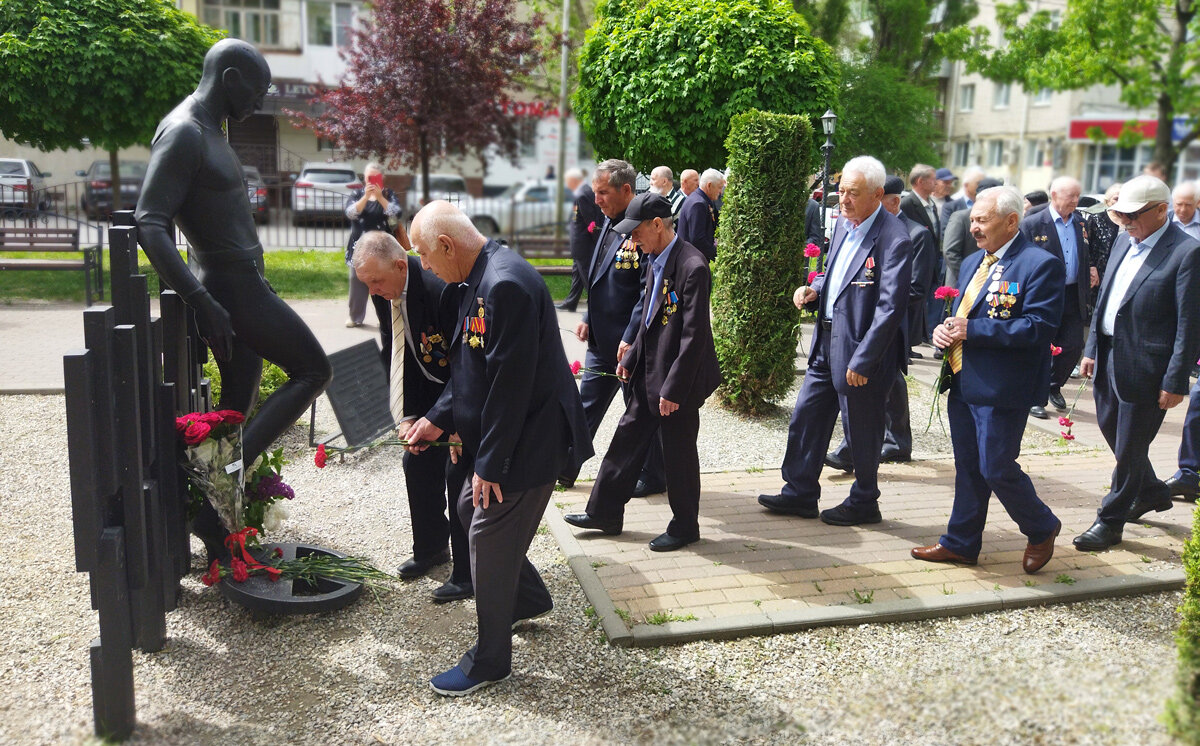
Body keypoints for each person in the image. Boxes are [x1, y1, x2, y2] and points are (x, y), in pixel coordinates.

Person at [135, 38, 332, 561]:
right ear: (229, 79)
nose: (260, 103)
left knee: (234, 413)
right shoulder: (183, 132)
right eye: (258, 90)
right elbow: (149, 223)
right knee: (314, 370)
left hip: (242, 283)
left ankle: (217, 513)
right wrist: (202, 300)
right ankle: (210, 508)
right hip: (229, 288)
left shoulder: (212, 129)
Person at [404, 201, 592, 696]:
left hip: (530, 441)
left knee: (485, 534)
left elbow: (511, 385)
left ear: (446, 245)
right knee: (467, 506)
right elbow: (470, 371)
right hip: (514, 434)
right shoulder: (478, 278)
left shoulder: (504, 283)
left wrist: (488, 464)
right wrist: (434, 420)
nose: (424, 265)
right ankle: (526, 597)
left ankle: (490, 661)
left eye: (424, 254)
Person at [913, 186, 1064, 572]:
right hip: (963, 380)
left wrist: (971, 331)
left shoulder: (1039, 264)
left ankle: (1041, 525)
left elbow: (1038, 328)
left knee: (996, 466)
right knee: (968, 466)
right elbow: (963, 314)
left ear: (1011, 221)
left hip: (1002, 386)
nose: (974, 227)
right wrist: (943, 332)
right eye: (973, 220)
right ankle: (961, 542)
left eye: (982, 220)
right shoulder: (972, 263)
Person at [757, 156, 912, 526]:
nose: (842, 199)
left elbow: (891, 308)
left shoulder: (895, 239)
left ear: (877, 194)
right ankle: (799, 492)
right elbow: (836, 274)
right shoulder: (846, 224)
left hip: (861, 351)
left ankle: (864, 501)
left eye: (852, 193)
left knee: (861, 427)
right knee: (807, 416)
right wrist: (815, 288)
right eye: (840, 190)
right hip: (827, 343)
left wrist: (864, 360)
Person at [563, 193, 721, 550]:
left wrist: (674, 390)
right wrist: (629, 355)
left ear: (656, 225)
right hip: (650, 368)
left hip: (679, 378)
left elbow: (695, 337)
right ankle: (604, 512)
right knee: (627, 438)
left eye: (636, 233)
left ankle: (685, 526)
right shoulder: (653, 258)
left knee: (678, 454)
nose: (632, 241)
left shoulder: (692, 266)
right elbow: (647, 314)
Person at [1073, 175, 1200, 551]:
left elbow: (1188, 323)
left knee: (1129, 446)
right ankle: (1151, 490)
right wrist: (1092, 348)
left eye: (1133, 215)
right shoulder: (1123, 242)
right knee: (1114, 432)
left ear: (1162, 211)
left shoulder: (1187, 253)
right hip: (1110, 354)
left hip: (1148, 367)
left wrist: (1176, 380)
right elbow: (1106, 302)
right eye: (1120, 215)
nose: (1125, 222)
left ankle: (1109, 520)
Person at [351, 231, 472, 601]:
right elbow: (399, 351)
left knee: (458, 474)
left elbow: (468, 365)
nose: (372, 291)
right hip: (431, 388)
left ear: (401, 265)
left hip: (464, 389)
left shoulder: (441, 289)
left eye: (376, 281)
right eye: (366, 284)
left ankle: (468, 573)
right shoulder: (388, 292)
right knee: (415, 461)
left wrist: (452, 421)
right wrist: (408, 415)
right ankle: (432, 548)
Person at [559, 159, 665, 496]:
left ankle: (653, 474)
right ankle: (564, 466)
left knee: (638, 412)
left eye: (603, 192)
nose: (597, 199)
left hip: (627, 345)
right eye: (595, 192)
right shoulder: (607, 221)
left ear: (626, 190)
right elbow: (601, 275)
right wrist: (589, 317)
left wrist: (631, 337)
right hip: (600, 341)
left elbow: (646, 290)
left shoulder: (643, 227)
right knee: (585, 404)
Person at [826, 175, 934, 469]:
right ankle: (869, 447)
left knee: (883, 388)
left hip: (892, 324)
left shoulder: (914, 234)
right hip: (859, 323)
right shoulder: (859, 228)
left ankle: (890, 444)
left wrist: (875, 300)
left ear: (890, 200)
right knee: (873, 391)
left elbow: (915, 288)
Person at [1020, 176, 1094, 419]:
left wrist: (1090, 271)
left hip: (1073, 293)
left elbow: (1083, 255)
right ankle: (1035, 397)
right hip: (1044, 295)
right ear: (1054, 195)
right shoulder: (1032, 224)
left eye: (1077, 196)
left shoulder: (1081, 223)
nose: (1075, 201)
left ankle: (1053, 385)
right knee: (1042, 346)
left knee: (1072, 346)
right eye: (1070, 196)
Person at [345, 162, 405, 330]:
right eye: (368, 178)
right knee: (356, 282)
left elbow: (396, 213)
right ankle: (355, 317)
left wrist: (380, 198)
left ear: (382, 178)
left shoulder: (388, 194)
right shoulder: (357, 193)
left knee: (383, 283)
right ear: (364, 178)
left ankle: (385, 318)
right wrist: (365, 197)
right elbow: (350, 213)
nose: (371, 181)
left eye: (375, 178)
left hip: (382, 250)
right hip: (359, 248)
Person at [901, 164, 941, 354]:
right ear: (920, 181)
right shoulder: (908, 204)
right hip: (914, 259)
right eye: (933, 179)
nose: (936, 183)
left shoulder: (931, 204)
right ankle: (903, 345)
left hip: (928, 262)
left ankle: (908, 344)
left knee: (919, 307)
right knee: (910, 305)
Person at [943, 177, 1004, 288]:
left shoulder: (1001, 219)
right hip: (960, 284)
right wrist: (970, 277)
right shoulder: (960, 217)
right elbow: (950, 252)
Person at [555, 168, 601, 312]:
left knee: (587, 276)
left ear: (574, 181)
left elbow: (591, 222)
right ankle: (571, 302)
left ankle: (597, 303)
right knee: (578, 274)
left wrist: (597, 241)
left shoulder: (582, 194)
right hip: (581, 243)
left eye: (567, 181)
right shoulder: (583, 191)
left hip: (584, 244)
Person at [1084, 182, 1123, 313]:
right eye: (1117, 198)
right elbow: (1086, 246)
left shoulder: (1131, 220)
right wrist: (1091, 267)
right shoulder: (1097, 219)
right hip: (1100, 275)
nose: (1121, 201)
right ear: (1107, 201)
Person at [676, 168, 725, 261]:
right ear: (709, 185)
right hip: (691, 261)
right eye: (719, 187)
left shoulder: (701, 200)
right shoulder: (698, 204)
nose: (720, 192)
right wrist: (718, 256)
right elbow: (698, 240)